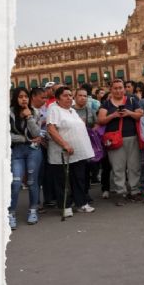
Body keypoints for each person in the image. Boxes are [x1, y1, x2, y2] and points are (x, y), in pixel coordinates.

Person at [46, 86, 96, 218]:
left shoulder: (72, 111)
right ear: (58, 98)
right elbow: (51, 129)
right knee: (62, 180)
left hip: (78, 153)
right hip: (62, 153)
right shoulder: (53, 108)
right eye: (65, 95)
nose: (69, 97)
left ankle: (81, 203)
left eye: (70, 95)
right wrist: (65, 144)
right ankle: (65, 206)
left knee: (79, 178)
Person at [97, 79, 144, 206]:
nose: (118, 90)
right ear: (111, 90)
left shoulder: (132, 100)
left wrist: (129, 113)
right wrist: (113, 116)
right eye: (115, 88)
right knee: (118, 168)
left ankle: (135, 191)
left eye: (120, 87)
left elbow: (140, 115)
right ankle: (121, 192)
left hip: (132, 137)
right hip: (114, 140)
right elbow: (101, 120)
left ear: (124, 88)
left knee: (134, 166)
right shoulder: (106, 104)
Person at [8, 87, 43, 229]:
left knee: (32, 181)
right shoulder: (8, 113)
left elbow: (36, 132)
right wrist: (25, 139)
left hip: (33, 151)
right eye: (20, 97)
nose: (24, 99)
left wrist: (29, 117)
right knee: (16, 182)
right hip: (17, 151)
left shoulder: (35, 112)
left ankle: (33, 210)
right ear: (15, 98)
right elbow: (5, 134)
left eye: (26, 97)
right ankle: (10, 213)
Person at [73, 87, 98, 202]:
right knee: (76, 171)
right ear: (75, 97)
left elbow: (97, 124)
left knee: (87, 169)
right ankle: (76, 193)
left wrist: (92, 130)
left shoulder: (90, 110)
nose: (83, 98)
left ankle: (85, 192)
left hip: (88, 143)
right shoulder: (70, 110)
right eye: (80, 95)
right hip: (74, 143)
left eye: (85, 96)